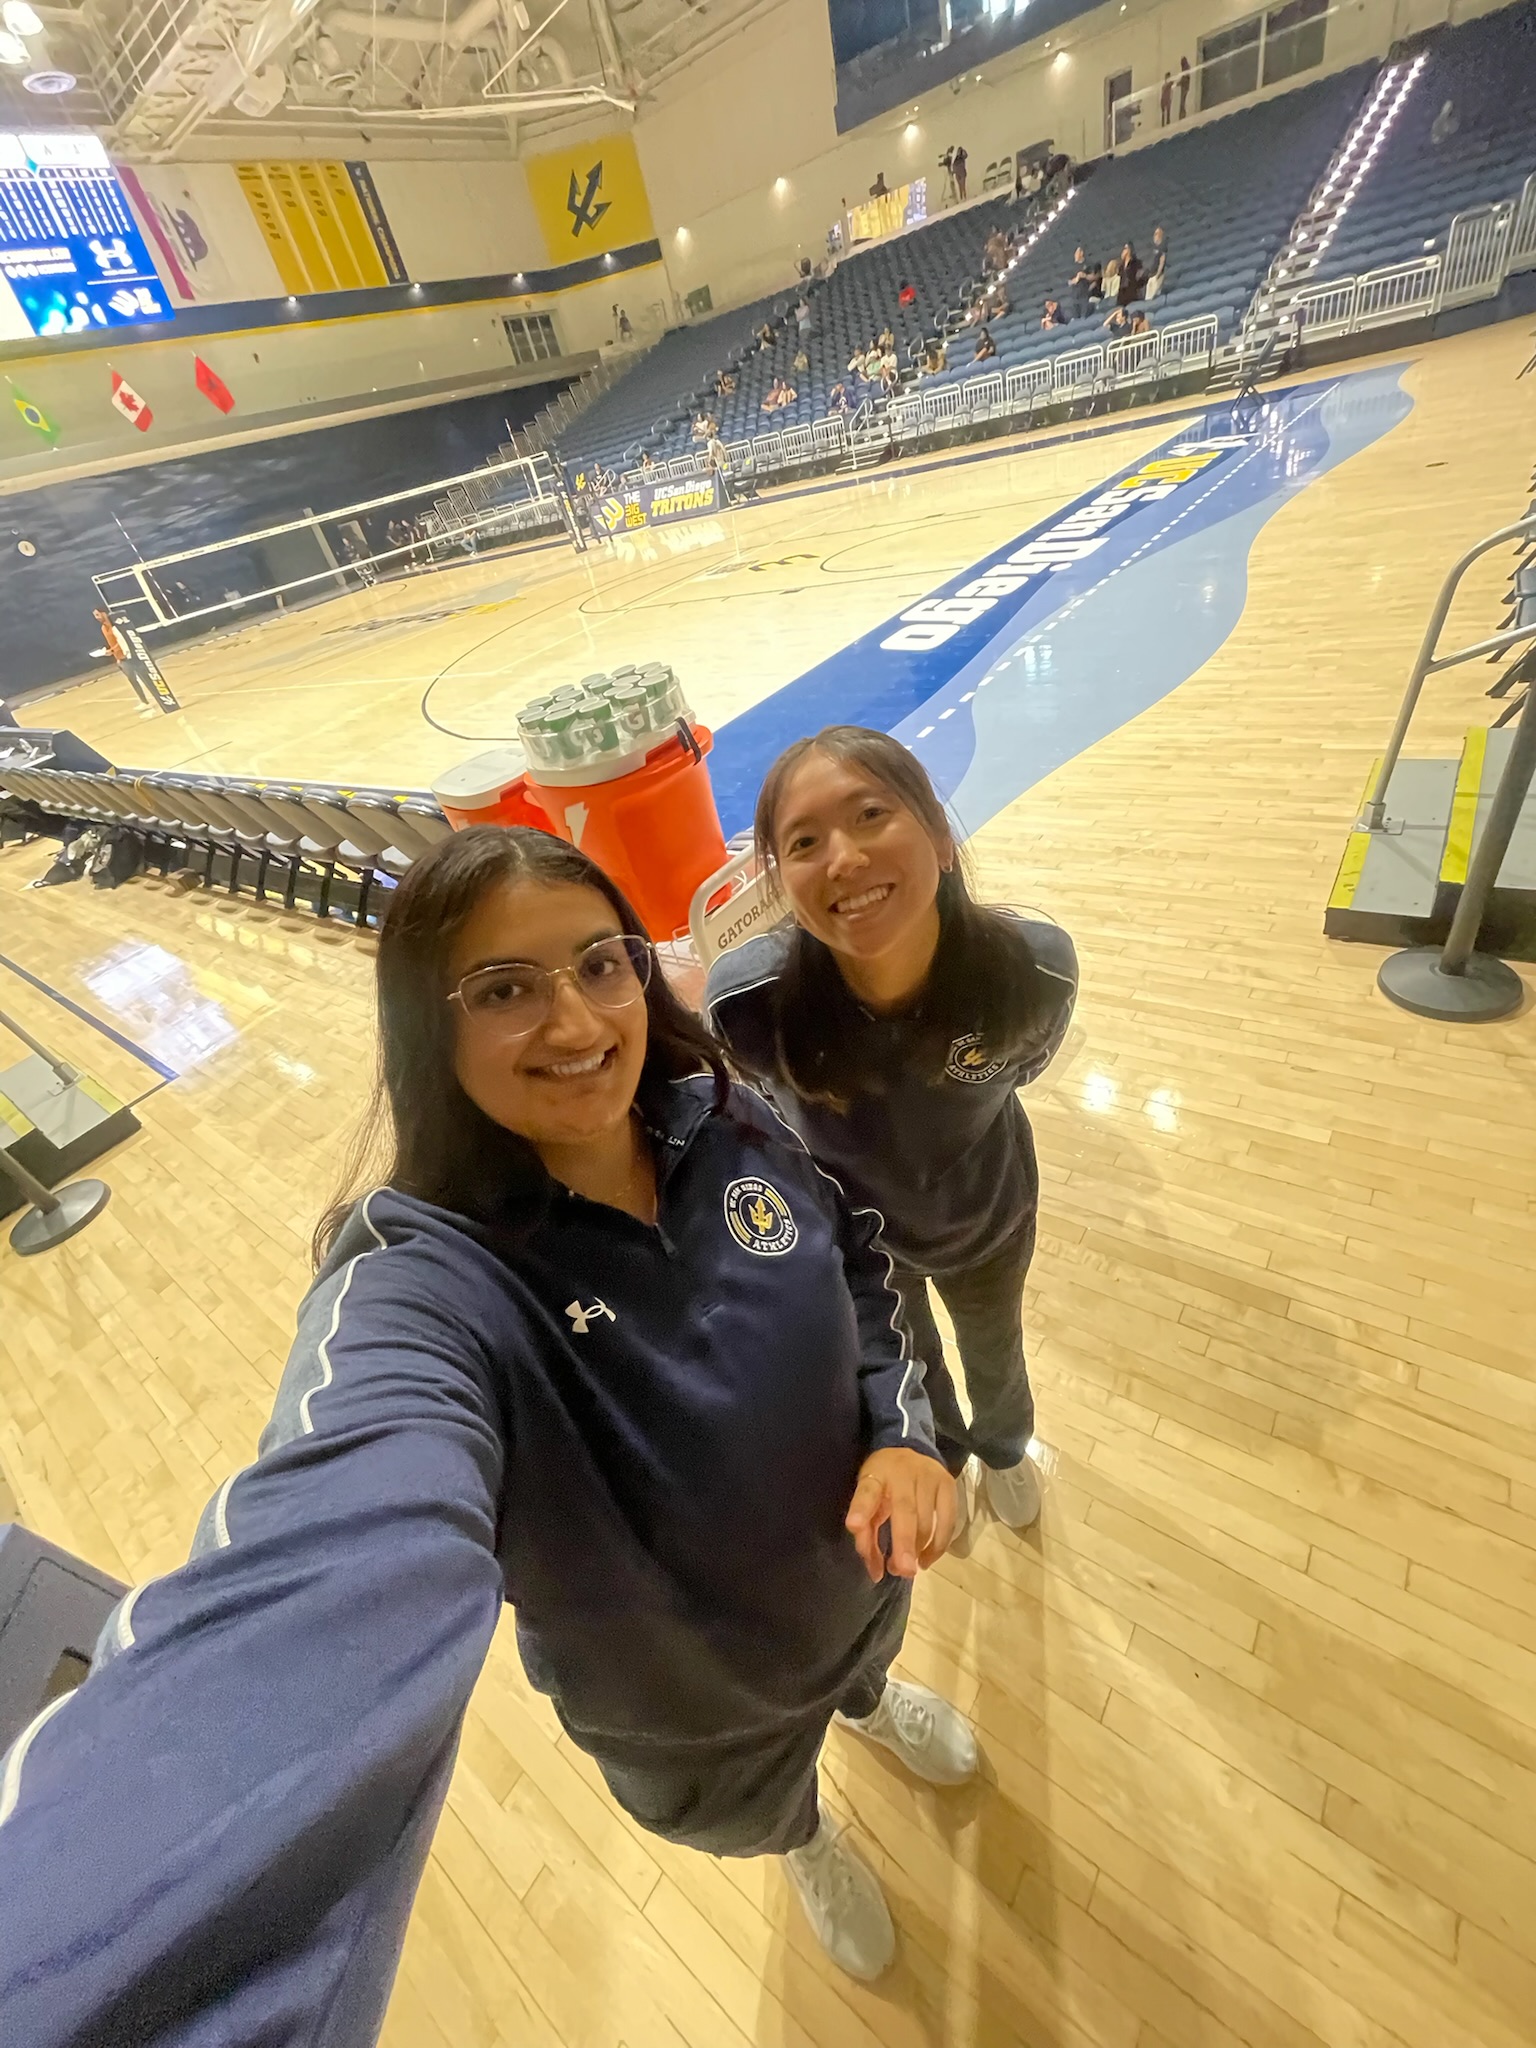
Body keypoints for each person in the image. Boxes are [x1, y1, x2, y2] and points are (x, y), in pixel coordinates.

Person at [0, 827, 972, 2025]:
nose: (575, 1023)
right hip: (699, 1704)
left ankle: (868, 1701)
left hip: (858, 1581)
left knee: (863, 1669)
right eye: (506, 989)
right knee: (769, 1803)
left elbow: (863, 1275)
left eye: (599, 964)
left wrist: (903, 1430)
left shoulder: (729, 1114)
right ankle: (806, 1833)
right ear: (427, 1025)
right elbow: (339, 1533)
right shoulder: (427, 1280)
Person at [706, 729, 1078, 1546]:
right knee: (908, 1363)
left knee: (995, 1350)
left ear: (941, 838)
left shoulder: (1033, 969)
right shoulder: (750, 1002)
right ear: (780, 881)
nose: (842, 858)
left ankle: (1005, 1451)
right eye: (803, 842)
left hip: (989, 1220)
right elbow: (763, 1118)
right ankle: (937, 1456)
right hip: (864, 1247)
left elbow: (1025, 1068)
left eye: (871, 814)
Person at [1117, 241, 1145, 306]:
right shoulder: (1121, 266)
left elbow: (1139, 278)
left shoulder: (1137, 263)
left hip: (1133, 292)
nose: (1123, 251)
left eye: (1125, 248)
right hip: (1122, 294)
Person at [1146, 225, 1168, 298]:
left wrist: (1157, 275)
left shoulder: (1163, 246)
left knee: (1154, 296)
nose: (1155, 236)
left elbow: (1162, 261)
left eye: (1157, 234)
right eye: (1155, 234)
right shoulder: (1152, 248)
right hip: (1150, 276)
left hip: (1156, 276)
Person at [1178, 54, 1192, 118]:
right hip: (1185, 87)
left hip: (1184, 87)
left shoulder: (1185, 69)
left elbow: (1184, 79)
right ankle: (1182, 114)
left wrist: (1179, 83)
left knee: (1182, 102)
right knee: (1182, 101)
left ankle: (1182, 115)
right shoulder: (1186, 68)